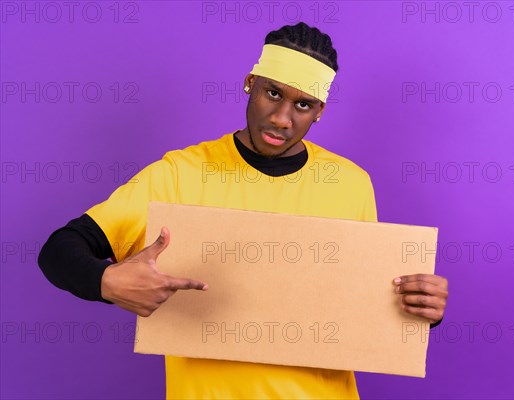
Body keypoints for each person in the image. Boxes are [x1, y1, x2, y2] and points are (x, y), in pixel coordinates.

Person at [38, 22, 448, 399]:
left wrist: (422, 310)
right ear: (250, 84)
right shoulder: (180, 174)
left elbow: (360, 306)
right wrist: (107, 281)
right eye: (272, 93)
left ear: (320, 111)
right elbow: (60, 250)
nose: (282, 118)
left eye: (303, 105)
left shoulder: (351, 184)